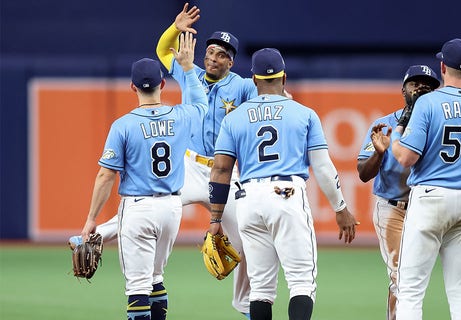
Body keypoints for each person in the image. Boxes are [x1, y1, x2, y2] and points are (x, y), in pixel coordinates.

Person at [70, 4, 256, 318]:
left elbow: (267, 92)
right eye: (210, 51)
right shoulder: (189, 72)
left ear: (231, 61)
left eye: (222, 54)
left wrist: (281, 97)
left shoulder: (242, 86)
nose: (213, 57)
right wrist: (174, 28)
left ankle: (247, 305)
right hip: (188, 166)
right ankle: (93, 235)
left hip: (224, 171)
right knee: (153, 204)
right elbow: (162, 49)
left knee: (248, 235)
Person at [207, 48, 359, 320]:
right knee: (301, 282)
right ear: (284, 77)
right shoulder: (304, 113)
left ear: (253, 80)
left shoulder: (234, 118)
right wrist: (340, 207)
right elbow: (323, 167)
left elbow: (220, 170)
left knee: (261, 289)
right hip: (286, 194)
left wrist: (215, 219)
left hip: (248, 199)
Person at [356, 43, 461, 320]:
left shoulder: (434, 110)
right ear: (403, 89)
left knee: (410, 287)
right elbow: (362, 172)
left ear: (440, 79)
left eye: (427, 84)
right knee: (406, 279)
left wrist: (395, 141)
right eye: (414, 84)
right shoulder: (386, 122)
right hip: (395, 207)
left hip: (425, 204)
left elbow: (407, 157)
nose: (420, 88)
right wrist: (380, 154)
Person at [77, 32, 207, 320]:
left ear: (132, 87)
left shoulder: (123, 126)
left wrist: (91, 219)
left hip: (138, 209)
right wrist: (187, 68)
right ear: (162, 84)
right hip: (172, 209)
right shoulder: (181, 116)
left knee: (137, 289)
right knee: (155, 278)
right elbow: (202, 105)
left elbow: (105, 176)